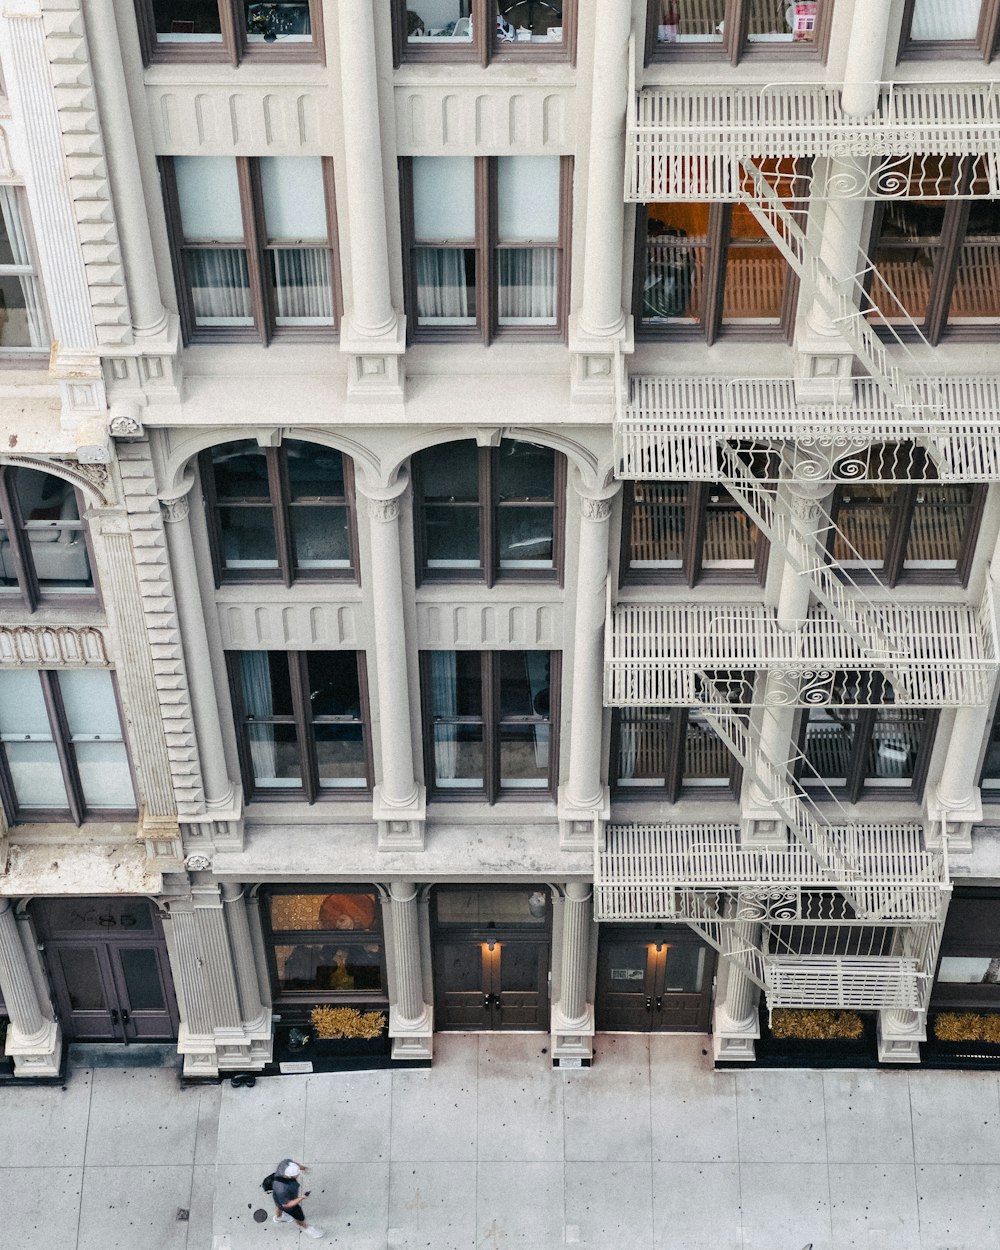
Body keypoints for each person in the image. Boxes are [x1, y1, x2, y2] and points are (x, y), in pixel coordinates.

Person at [272, 1158, 323, 1238]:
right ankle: (307, 1228)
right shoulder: (281, 1188)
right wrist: (302, 1198)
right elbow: (287, 1204)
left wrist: (303, 1168)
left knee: (278, 1205)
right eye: (296, 1175)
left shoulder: (285, 1163)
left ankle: (279, 1217)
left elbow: (295, 1164)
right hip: (288, 1204)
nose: (298, 1175)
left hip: (278, 1198)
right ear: (288, 1176)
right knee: (299, 1217)